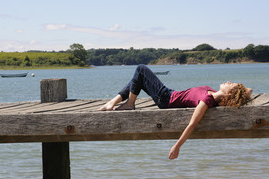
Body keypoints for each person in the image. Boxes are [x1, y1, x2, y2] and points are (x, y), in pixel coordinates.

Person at [98, 64, 252, 160]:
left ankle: (130, 104)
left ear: (229, 94)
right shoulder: (212, 94)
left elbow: (192, 124)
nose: (228, 81)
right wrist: (240, 91)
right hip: (170, 94)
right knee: (138, 78)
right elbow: (249, 91)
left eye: (231, 85)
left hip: (166, 99)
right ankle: (112, 102)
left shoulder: (207, 100)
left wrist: (177, 146)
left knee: (141, 69)